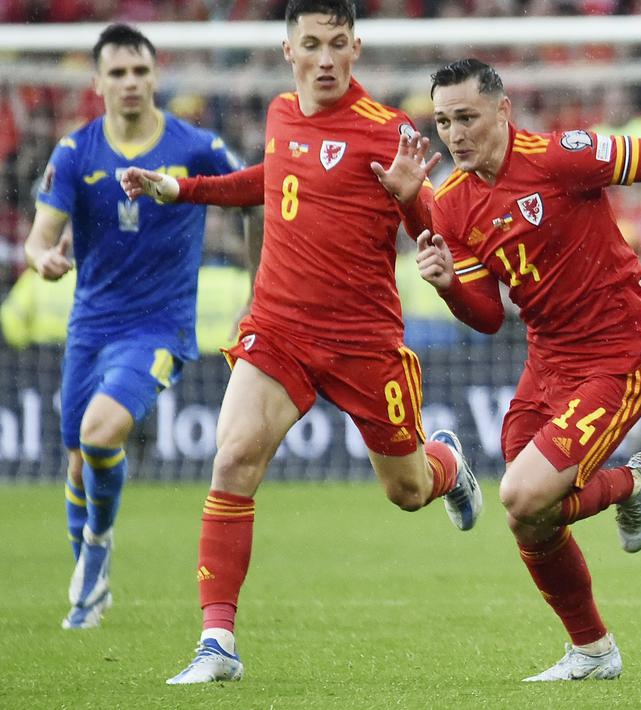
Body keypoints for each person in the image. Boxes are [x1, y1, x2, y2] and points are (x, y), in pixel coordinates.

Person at [120, 0, 482, 685]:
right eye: (311, 44)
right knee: (233, 459)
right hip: (279, 328)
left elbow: (435, 235)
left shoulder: (386, 131)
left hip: (362, 341)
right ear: (288, 51)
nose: (324, 58)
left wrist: (412, 197)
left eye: (337, 43)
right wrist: (179, 189)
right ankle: (217, 644)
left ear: (356, 49)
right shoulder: (281, 113)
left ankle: (448, 466)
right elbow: (269, 181)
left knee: (407, 491)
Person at [394, 58, 641, 681]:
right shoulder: (454, 203)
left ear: (502, 111)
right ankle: (594, 651)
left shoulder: (559, 158)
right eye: (443, 122)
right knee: (527, 517)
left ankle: (627, 483)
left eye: (467, 117)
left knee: (521, 494)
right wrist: (447, 286)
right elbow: (486, 316)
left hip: (618, 357)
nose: (455, 134)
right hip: (546, 363)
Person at [23, 23, 246, 630]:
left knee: (99, 434)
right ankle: (90, 592)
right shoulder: (75, 152)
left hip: (160, 327)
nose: (130, 82)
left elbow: (254, 195)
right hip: (90, 327)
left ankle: (96, 549)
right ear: (97, 83)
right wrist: (43, 260)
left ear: (155, 76)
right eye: (118, 73)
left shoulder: (195, 145)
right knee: (78, 461)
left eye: (140, 71)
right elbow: (39, 239)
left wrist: (259, 286)